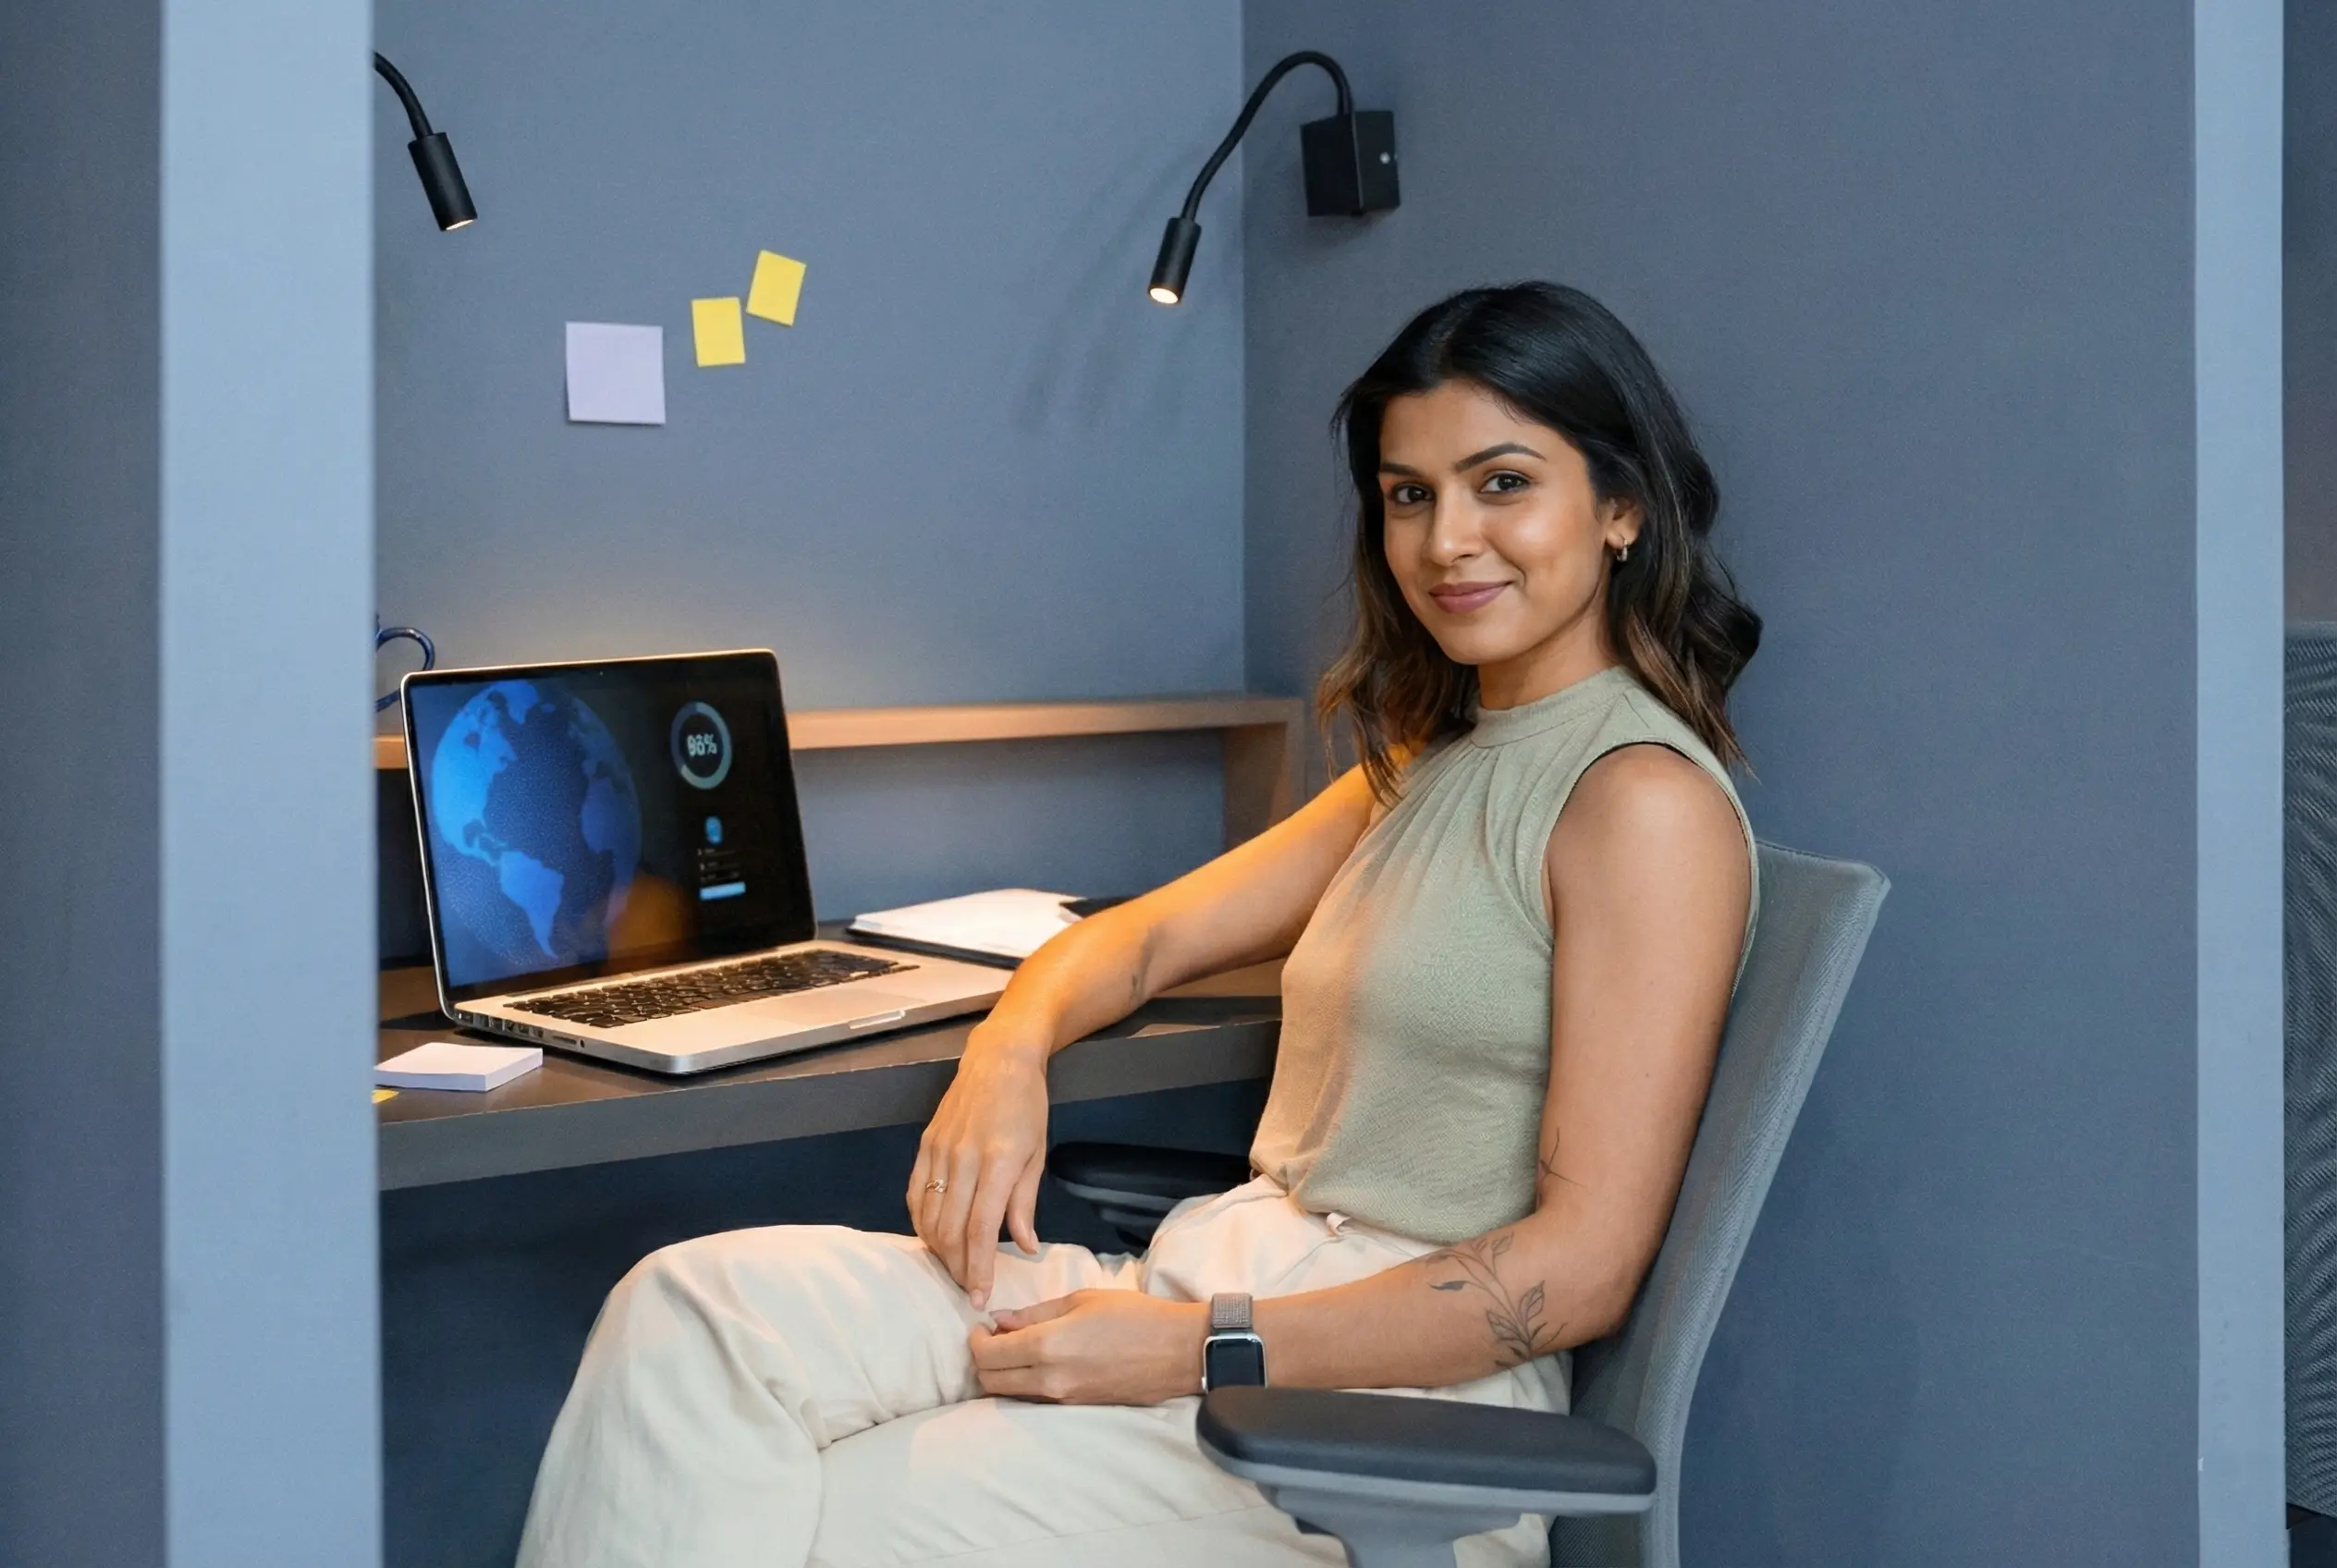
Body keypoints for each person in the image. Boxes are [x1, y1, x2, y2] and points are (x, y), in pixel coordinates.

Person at [515, 282, 1762, 1568]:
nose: (1447, 540)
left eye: (1503, 484)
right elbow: (1144, 939)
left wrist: (1199, 1349)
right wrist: (1007, 1054)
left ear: (1622, 507)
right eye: (1408, 494)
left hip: (1388, 1413)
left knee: (819, 1511)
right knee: (695, 1313)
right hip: (1209, 1290)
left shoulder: (1640, 803)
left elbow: (1580, 1269)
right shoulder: (1426, 762)